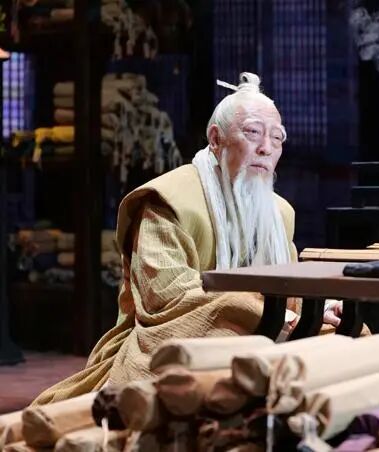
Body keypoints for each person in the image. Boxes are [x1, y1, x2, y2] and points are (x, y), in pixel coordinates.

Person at [33, 72, 341, 404]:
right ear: (216, 139)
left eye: (277, 138)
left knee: (348, 335)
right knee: (222, 338)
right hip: (176, 331)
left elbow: (287, 288)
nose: (266, 148)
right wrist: (267, 311)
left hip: (268, 323)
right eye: (253, 133)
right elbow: (166, 295)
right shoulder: (169, 200)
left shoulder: (279, 212)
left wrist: (318, 308)